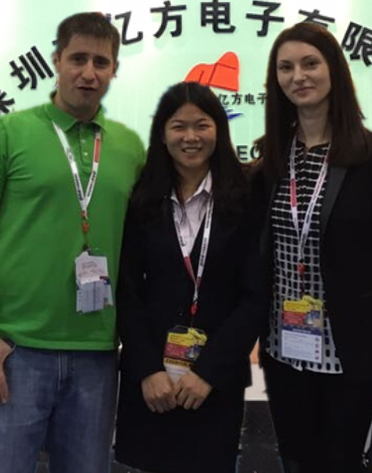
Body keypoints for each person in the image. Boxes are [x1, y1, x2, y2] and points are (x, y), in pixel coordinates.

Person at [0, 12, 146, 473]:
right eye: (78, 59)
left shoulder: (130, 147)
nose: (88, 72)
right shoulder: (5, 134)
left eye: (101, 62)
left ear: (114, 70)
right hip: (12, 352)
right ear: (56, 60)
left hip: (98, 357)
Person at [254, 22, 372, 473]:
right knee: (296, 463)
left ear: (334, 70)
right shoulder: (271, 158)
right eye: (286, 67)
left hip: (352, 353)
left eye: (310, 63)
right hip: (285, 350)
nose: (298, 76)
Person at [114, 82, 266, 473]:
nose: (191, 137)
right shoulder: (142, 198)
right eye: (178, 126)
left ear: (219, 130)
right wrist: (147, 369)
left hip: (214, 383)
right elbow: (127, 290)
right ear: (162, 134)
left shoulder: (246, 198)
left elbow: (254, 296)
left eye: (202, 125)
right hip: (152, 384)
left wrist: (208, 373)